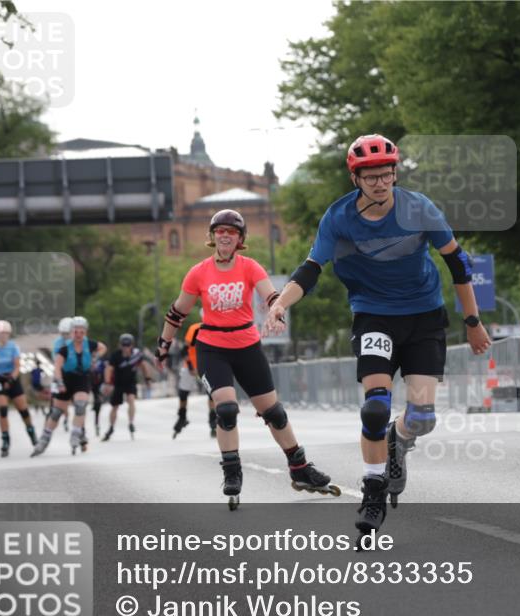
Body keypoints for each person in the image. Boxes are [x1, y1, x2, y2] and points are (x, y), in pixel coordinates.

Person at [266, 134, 491, 540]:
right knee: (374, 408)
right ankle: (373, 492)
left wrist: (472, 321)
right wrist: (281, 303)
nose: (380, 183)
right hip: (374, 316)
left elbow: (457, 262)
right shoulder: (338, 218)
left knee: (423, 417)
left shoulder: (419, 208)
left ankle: (397, 440)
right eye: (371, 177)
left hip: (424, 316)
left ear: (394, 174)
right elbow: (311, 268)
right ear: (356, 179)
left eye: (386, 175)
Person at [154, 209, 338, 510]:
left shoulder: (250, 267)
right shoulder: (198, 272)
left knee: (274, 413)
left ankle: (300, 467)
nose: (225, 236)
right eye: (220, 231)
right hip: (212, 348)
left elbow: (271, 296)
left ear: (240, 239)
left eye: (232, 232)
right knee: (226, 410)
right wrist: (164, 343)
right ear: (212, 237)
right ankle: (232, 471)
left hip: (247, 346)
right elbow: (178, 311)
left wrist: (277, 313)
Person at [32, 316, 108, 456]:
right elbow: (57, 366)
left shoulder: (87, 343)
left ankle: (77, 434)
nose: (76, 335)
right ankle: (44, 438)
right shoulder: (61, 346)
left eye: (81, 332)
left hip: (81, 378)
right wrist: (59, 382)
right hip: (64, 378)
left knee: (80, 406)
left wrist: (95, 357)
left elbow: (102, 347)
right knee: (56, 412)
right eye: (73, 332)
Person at [0, 320, 39, 456]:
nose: (2, 336)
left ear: (9, 334)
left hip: (12, 377)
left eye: (5, 333)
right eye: (0, 333)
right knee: (3, 409)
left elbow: (17, 365)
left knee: (23, 410)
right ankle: (5, 440)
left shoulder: (13, 347)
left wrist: (12, 378)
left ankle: (32, 434)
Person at [101, 333, 153, 441]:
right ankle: (111, 427)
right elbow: (108, 369)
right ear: (120, 345)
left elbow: (144, 365)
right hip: (118, 383)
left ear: (132, 345)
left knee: (131, 400)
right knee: (115, 406)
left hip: (131, 382)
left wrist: (147, 378)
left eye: (128, 345)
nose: (126, 348)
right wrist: (107, 383)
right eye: (124, 345)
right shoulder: (115, 355)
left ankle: (131, 422)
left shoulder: (136, 354)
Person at [173, 321, 216, 439]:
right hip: (191, 366)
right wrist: (191, 366)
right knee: (183, 393)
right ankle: (182, 417)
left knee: (211, 394)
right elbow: (184, 350)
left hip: (207, 366)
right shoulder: (195, 328)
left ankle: (213, 422)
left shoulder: (216, 327)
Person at [50, 317, 73, 433]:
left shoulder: (78, 341)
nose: (65, 336)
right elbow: (56, 361)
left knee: (78, 404)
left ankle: (79, 430)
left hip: (74, 375)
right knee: (55, 402)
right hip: (60, 373)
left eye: (67, 333)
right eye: (63, 333)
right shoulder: (57, 343)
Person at [90, 357, 106, 435]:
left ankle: (96, 424)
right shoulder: (85, 360)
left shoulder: (101, 362)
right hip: (87, 385)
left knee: (98, 404)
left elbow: (105, 373)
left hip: (98, 386)